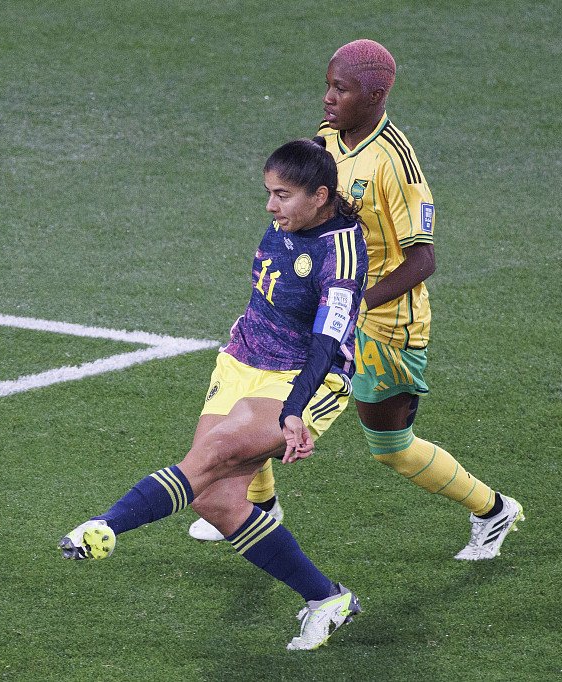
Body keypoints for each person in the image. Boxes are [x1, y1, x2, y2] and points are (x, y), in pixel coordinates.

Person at [188, 39, 523, 560]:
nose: (327, 98)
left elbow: (423, 260)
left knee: (391, 448)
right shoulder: (327, 140)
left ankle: (494, 509)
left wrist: (356, 303)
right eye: (327, 85)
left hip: (386, 324)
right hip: (329, 306)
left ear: (375, 95)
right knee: (266, 391)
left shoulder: (395, 163)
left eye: (339, 90)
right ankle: (260, 503)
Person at [59, 138, 369, 650]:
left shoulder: (342, 252)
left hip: (303, 378)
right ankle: (326, 598)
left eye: (283, 195)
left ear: (319, 196)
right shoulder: (294, 217)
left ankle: (105, 525)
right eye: (268, 192)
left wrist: (294, 411)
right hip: (241, 359)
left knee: (215, 454)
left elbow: (327, 341)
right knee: (214, 500)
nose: (271, 206)